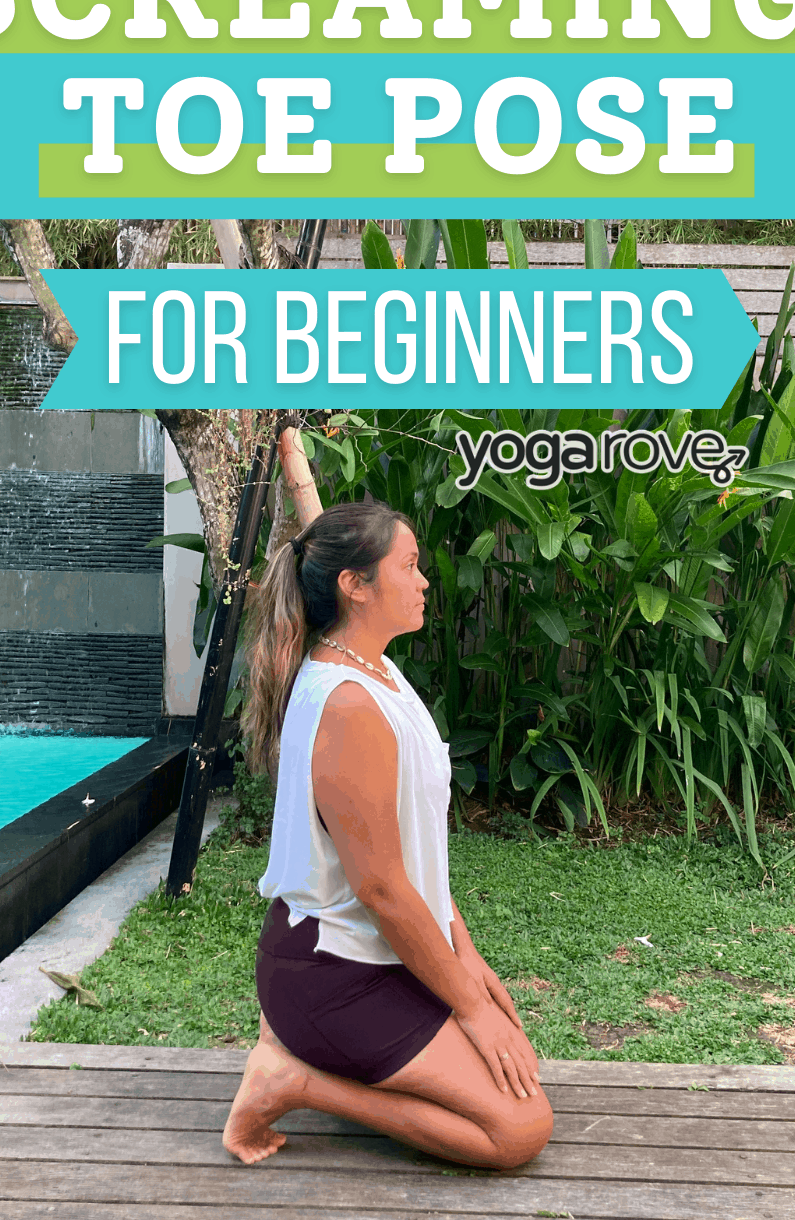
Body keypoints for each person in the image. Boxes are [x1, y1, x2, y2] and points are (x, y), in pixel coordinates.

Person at [222, 500, 553, 1169]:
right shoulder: (347, 704)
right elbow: (380, 883)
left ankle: (297, 1057)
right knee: (518, 1129)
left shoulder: (374, 668)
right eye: (409, 566)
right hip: (331, 973)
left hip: (375, 956)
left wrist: (467, 958)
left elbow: (415, 856)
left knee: (519, 1076)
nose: (425, 580)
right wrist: (468, 1006)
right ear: (356, 585)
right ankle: (292, 1079)